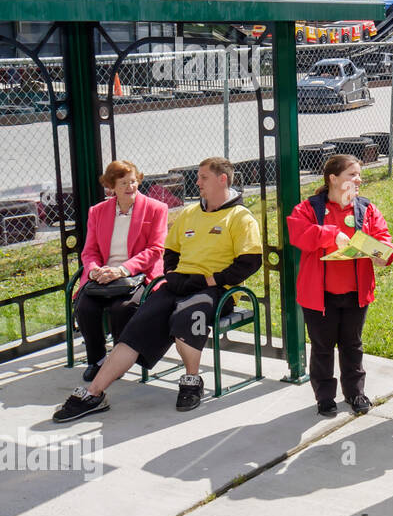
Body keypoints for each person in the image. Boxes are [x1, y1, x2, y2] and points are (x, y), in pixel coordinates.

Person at [53, 157, 263, 423]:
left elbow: (250, 261)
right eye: (197, 176)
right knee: (136, 327)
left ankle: (192, 379)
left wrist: (210, 280)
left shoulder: (240, 217)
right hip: (178, 285)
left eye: (203, 177)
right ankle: (94, 393)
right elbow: (170, 252)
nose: (197, 182)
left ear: (223, 179)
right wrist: (174, 275)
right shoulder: (189, 213)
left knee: (186, 319)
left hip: (215, 290)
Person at [287, 154, 393, 417]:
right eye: (352, 174)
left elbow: (385, 245)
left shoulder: (367, 210)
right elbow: (299, 234)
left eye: (359, 174)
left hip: (355, 293)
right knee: (322, 347)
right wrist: (333, 235)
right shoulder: (309, 209)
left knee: (352, 345)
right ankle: (325, 397)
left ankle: (355, 393)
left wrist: (380, 253)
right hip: (319, 295)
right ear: (332, 179)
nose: (358, 179)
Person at [73, 160, 168, 382]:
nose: (130, 187)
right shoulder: (97, 212)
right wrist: (95, 270)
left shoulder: (156, 209)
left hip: (138, 274)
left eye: (134, 181)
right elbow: (89, 251)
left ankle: (118, 360)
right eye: (123, 183)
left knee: (123, 307)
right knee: (85, 306)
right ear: (111, 187)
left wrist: (123, 270)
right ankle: (96, 360)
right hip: (104, 275)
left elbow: (156, 250)